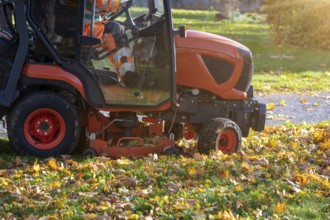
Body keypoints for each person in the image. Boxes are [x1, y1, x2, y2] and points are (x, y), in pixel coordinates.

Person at [83, 0, 135, 86]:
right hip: (83, 29)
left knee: (112, 25)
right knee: (115, 30)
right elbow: (100, 2)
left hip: (77, 25)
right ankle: (129, 78)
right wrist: (120, 2)